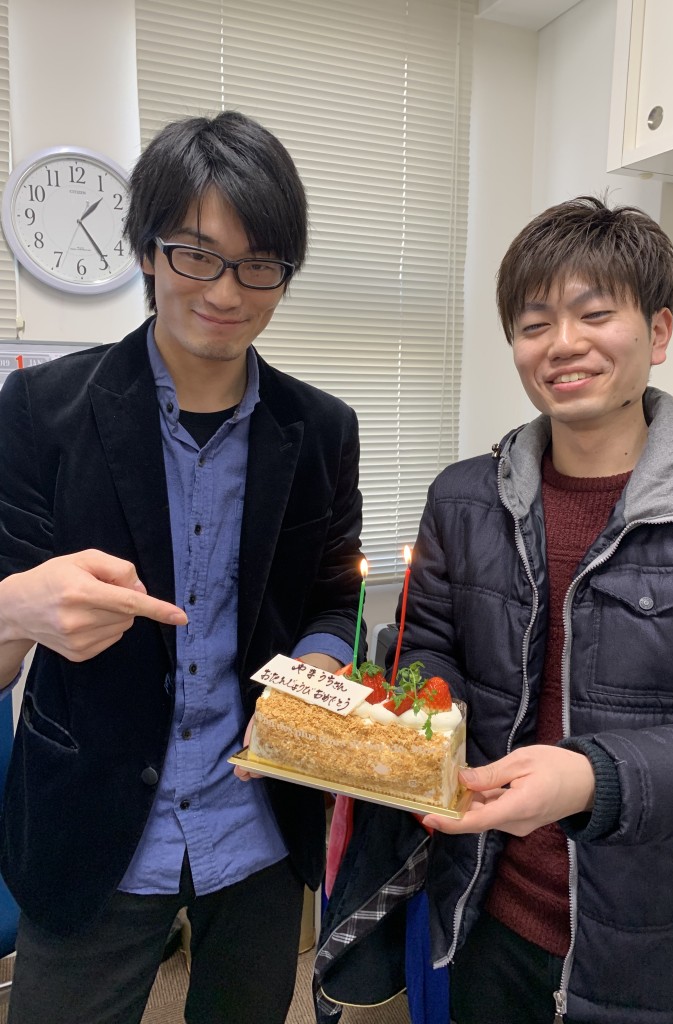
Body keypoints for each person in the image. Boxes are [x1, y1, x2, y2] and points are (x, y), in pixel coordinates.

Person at [0, 111, 364, 1024]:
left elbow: (333, 597)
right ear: (148, 252)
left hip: (259, 824)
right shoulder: (41, 410)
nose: (227, 291)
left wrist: (320, 664)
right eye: (198, 255)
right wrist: (15, 608)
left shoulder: (323, 429)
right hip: (93, 826)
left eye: (260, 265)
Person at [395, 196, 673, 1023]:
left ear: (659, 332)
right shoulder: (463, 497)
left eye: (595, 315)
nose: (562, 343)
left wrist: (591, 779)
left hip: (660, 947)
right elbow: (428, 652)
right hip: (488, 912)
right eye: (534, 324)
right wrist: (412, 724)